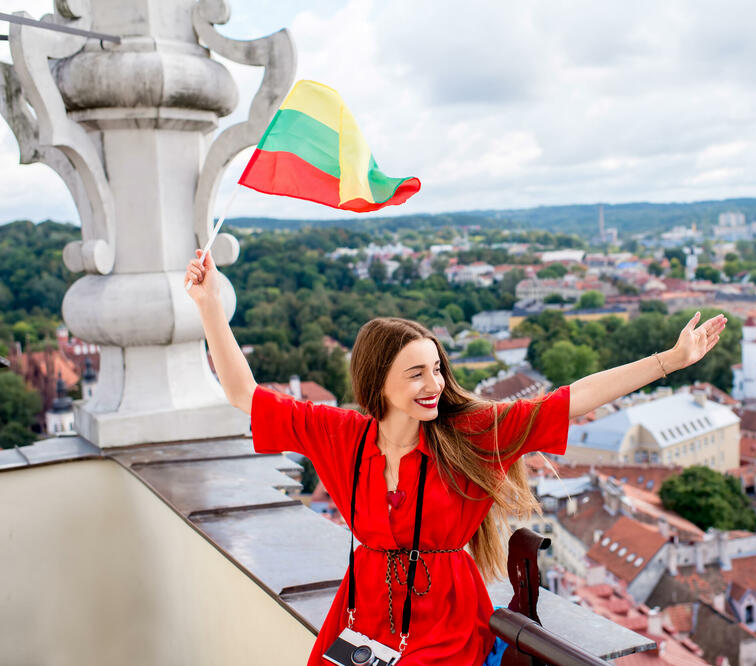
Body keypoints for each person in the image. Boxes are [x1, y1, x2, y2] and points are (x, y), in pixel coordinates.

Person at [186, 248, 726, 665]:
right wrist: (210, 305)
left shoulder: (471, 432)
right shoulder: (339, 434)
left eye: (437, 369)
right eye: (416, 373)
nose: (435, 384)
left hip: (444, 621)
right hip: (362, 616)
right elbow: (244, 395)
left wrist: (669, 361)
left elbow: (571, 398)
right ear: (379, 382)